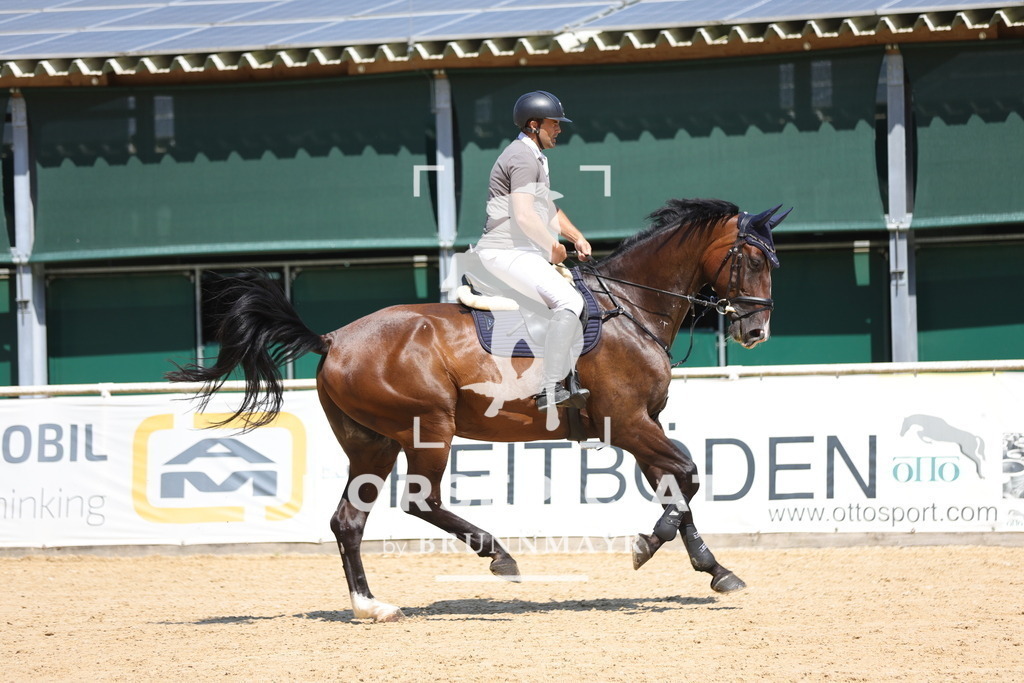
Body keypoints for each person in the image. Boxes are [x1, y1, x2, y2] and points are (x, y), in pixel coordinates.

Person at [473, 90, 593, 412]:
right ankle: (549, 389)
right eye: (554, 124)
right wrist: (553, 247)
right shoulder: (522, 157)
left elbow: (547, 208)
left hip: (520, 251)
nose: (560, 129)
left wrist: (575, 236)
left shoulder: (535, 156)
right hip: (504, 251)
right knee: (569, 300)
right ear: (533, 124)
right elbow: (524, 215)